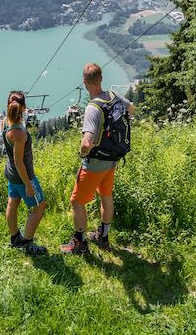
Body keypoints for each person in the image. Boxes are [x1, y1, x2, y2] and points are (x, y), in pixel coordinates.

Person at [60, 63, 134, 254]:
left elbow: (86, 142)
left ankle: (80, 243)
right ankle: (103, 236)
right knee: (106, 195)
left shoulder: (93, 109)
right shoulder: (112, 96)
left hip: (95, 164)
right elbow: (131, 109)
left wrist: (83, 154)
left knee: (76, 201)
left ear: (85, 82)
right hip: (113, 160)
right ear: (101, 78)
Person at [3, 90, 47, 256]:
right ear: (24, 108)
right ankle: (28, 244)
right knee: (39, 206)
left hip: (11, 174)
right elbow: (19, 161)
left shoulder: (4, 123)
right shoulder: (19, 134)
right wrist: (28, 184)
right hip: (23, 175)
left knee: (12, 202)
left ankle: (15, 238)